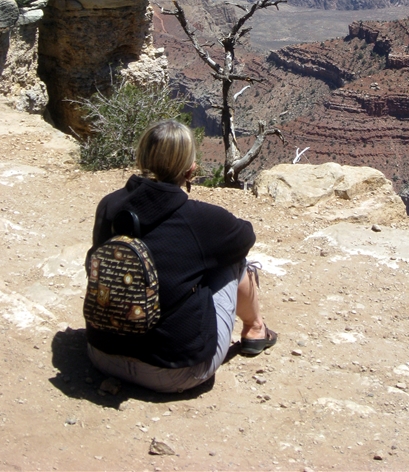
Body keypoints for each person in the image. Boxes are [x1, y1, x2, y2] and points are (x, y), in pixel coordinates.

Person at [85, 119, 277, 393]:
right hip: (175, 373)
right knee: (233, 258)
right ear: (190, 169)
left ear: (142, 157)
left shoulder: (109, 205)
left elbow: (92, 267)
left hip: (102, 354)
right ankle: (256, 329)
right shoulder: (201, 219)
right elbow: (246, 236)